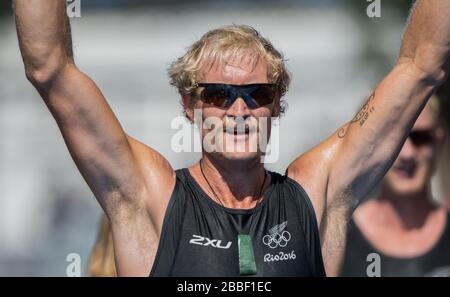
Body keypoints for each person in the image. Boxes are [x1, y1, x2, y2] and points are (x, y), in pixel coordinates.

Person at [14, 0, 450, 276]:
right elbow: (49, 68)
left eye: (256, 94)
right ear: (189, 104)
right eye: (218, 95)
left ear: (277, 103)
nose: (238, 111)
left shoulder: (315, 194)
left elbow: (420, 66)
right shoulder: (151, 197)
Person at [340, 96, 450, 277]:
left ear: (438, 142)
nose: (407, 153)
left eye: (420, 137)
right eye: (393, 139)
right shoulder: (336, 239)